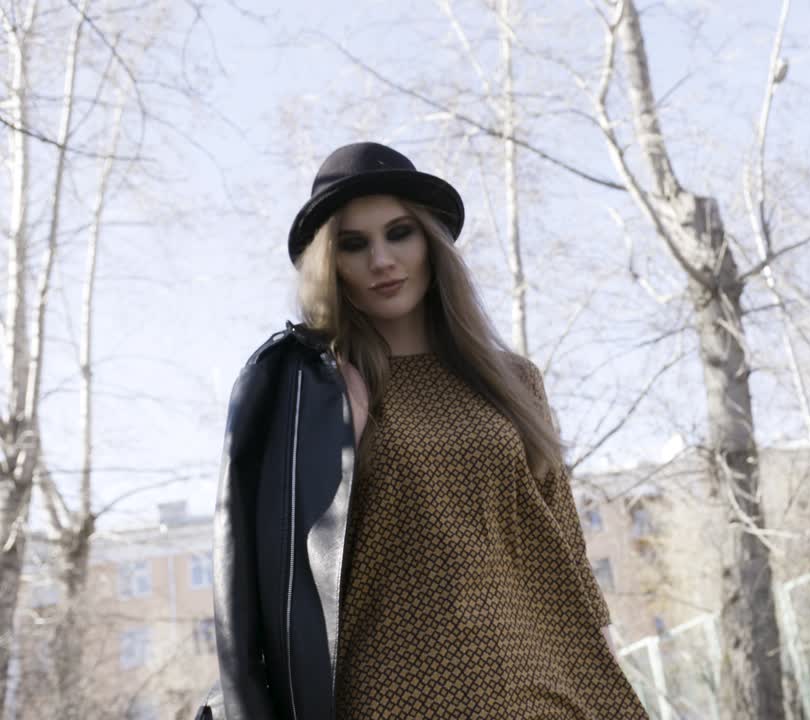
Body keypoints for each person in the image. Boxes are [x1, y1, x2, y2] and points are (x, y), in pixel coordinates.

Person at [196, 142, 648, 719]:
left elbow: (563, 543)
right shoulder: (318, 393)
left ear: (430, 242)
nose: (382, 260)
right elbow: (276, 581)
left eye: (399, 233)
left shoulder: (514, 381)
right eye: (354, 245)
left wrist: (602, 660)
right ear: (330, 265)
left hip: (544, 680)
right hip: (393, 691)